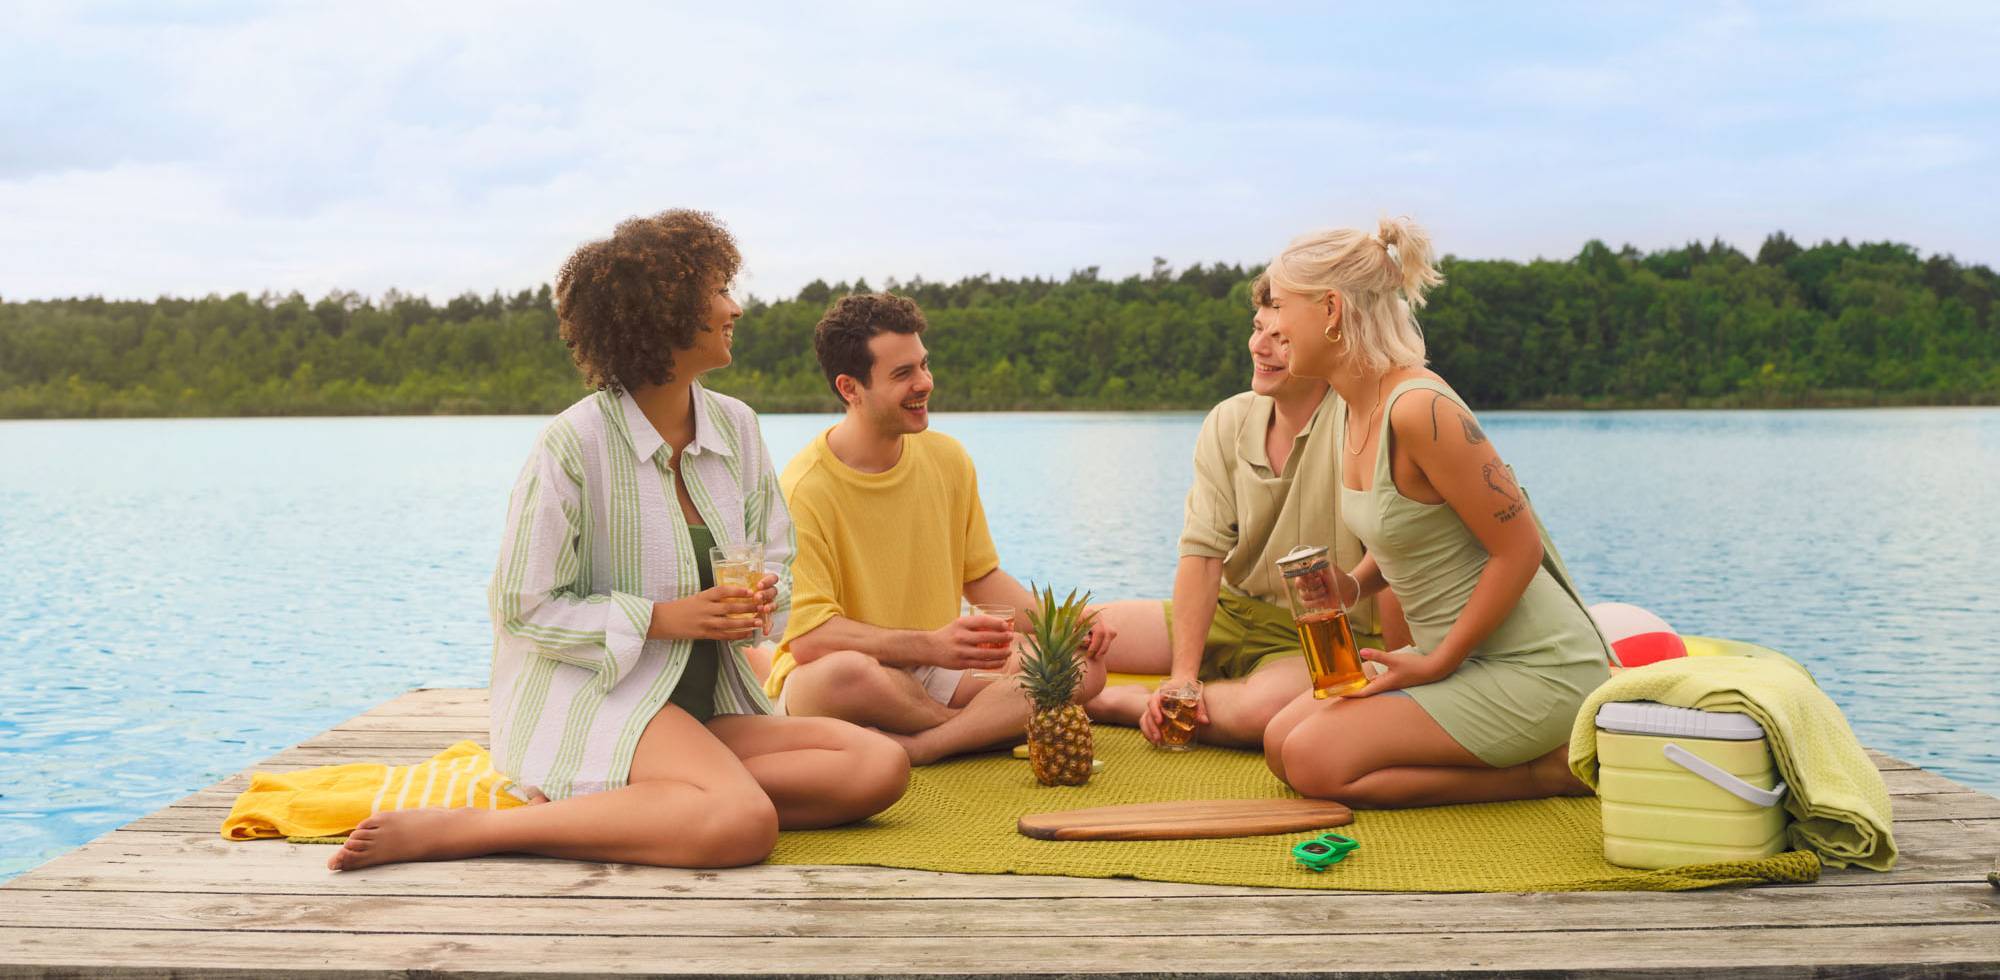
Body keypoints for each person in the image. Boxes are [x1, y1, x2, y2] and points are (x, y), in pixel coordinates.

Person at [328, 211, 908, 872]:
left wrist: (763, 602)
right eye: (717, 292)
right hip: (597, 697)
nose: (734, 307)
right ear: (661, 315)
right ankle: (476, 829)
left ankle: (646, 799)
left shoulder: (738, 428)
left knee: (876, 765)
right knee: (743, 825)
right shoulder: (574, 444)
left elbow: (774, 555)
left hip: (701, 706)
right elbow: (521, 606)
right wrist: (663, 619)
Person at [1261, 217, 1612, 808]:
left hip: (1538, 669)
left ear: (1329, 309)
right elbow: (1411, 530)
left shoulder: (1419, 408)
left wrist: (1437, 661)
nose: (1271, 327)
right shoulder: (1352, 406)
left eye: (1279, 306)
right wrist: (1352, 585)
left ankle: (1548, 772)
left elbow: (1518, 550)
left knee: (1312, 759)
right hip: (1458, 662)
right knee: (1278, 742)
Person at [765, 292, 1113, 765]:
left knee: (1079, 668)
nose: (925, 383)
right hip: (852, 676)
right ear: (850, 388)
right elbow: (809, 639)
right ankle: (970, 730)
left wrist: (1063, 625)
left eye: (923, 365)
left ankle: (924, 745)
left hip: (936, 669)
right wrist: (931, 644)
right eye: (903, 374)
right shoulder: (804, 490)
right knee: (845, 675)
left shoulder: (947, 459)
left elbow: (983, 578)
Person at [1087, 273, 1411, 747]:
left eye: (1280, 338)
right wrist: (1182, 676)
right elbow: (1201, 554)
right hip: (1231, 611)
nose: (1261, 347)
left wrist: (1402, 668)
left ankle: (1127, 702)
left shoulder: (1360, 423)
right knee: (1078, 631)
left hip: (1327, 636)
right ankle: (1164, 693)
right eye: (1258, 328)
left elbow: (1393, 561)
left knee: (1262, 711)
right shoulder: (1228, 420)